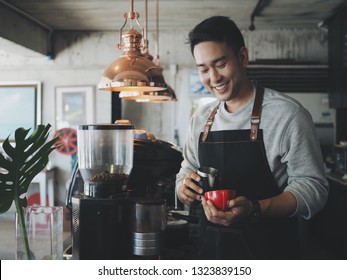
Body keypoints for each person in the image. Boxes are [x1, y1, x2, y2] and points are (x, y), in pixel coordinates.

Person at [176, 15, 329, 260]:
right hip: (211, 253)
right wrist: (183, 188)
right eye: (204, 69)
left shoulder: (288, 115)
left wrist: (256, 208)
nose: (213, 78)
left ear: (243, 57)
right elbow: (187, 169)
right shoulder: (201, 118)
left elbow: (314, 188)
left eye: (221, 64)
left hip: (270, 253)